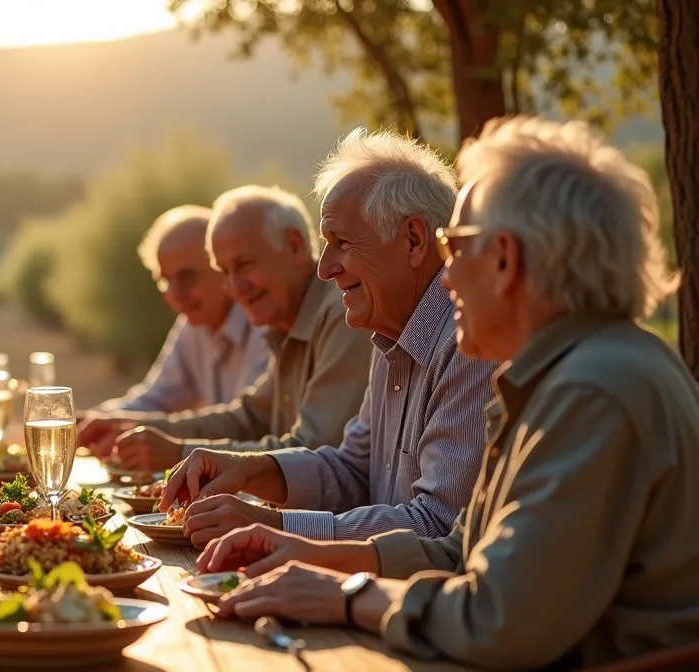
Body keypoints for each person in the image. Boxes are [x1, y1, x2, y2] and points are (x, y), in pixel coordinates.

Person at [195, 116, 699, 670]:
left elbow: (499, 619)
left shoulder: (593, 391)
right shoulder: (568, 372)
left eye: (455, 248)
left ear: (506, 258)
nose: (448, 277)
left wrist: (347, 595)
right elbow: (463, 550)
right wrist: (312, 554)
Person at [159, 128, 495, 547]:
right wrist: (248, 469)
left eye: (341, 243)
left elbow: (437, 524)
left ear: (412, 240)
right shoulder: (391, 333)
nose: (326, 268)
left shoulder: (471, 343)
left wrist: (274, 527)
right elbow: (353, 469)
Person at [81, 185, 373, 475]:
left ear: (295, 247)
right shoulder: (286, 321)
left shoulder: (341, 313)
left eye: (244, 265)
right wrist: (130, 426)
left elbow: (312, 450)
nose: (233, 289)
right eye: (224, 272)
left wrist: (180, 452)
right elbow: (249, 417)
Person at [91, 205, 272, 417]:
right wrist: (89, 421)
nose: (174, 294)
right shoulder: (193, 325)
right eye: (165, 280)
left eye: (187, 277)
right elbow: (155, 399)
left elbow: (248, 424)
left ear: (224, 270)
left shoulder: (265, 325)